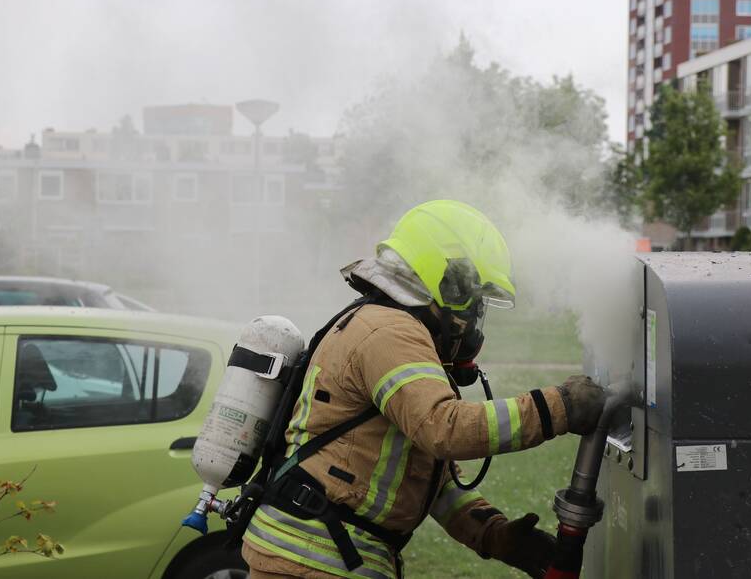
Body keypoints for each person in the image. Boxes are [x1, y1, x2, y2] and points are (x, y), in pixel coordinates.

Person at [242, 200, 608, 579]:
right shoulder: (389, 331)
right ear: (450, 283)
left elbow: (431, 480)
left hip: (322, 554)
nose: (472, 324)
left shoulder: (386, 325)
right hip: (311, 558)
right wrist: (560, 407)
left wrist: (493, 534)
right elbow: (445, 429)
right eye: (474, 303)